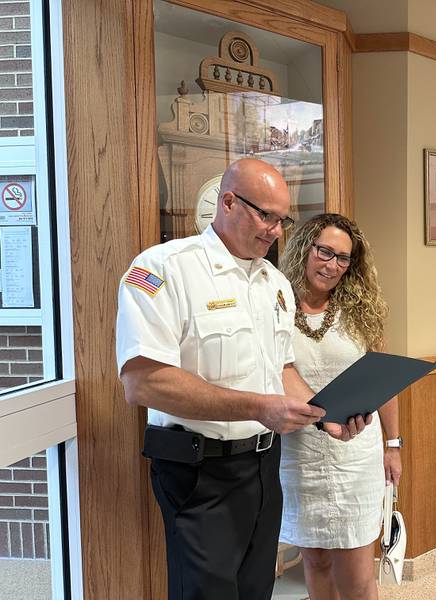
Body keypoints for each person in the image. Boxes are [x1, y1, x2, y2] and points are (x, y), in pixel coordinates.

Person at [115, 159, 365, 600]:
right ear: (228, 202)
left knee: (254, 589)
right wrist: (258, 407)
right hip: (199, 470)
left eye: (282, 219)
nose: (275, 230)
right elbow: (144, 383)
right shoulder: (163, 269)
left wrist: (327, 415)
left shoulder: (274, 284)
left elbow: (281, 370)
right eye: (264, 215)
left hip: (265, 468)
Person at [278, 213, 402, 600]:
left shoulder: (361, 311)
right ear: (304, 249)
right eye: (324, 251)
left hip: (355, 452)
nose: (332, 265)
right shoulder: (275, 304)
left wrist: (393, 445)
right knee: (315, 561)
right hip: (299, 454)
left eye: (343, 258)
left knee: (357, 573)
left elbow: (384, 380)